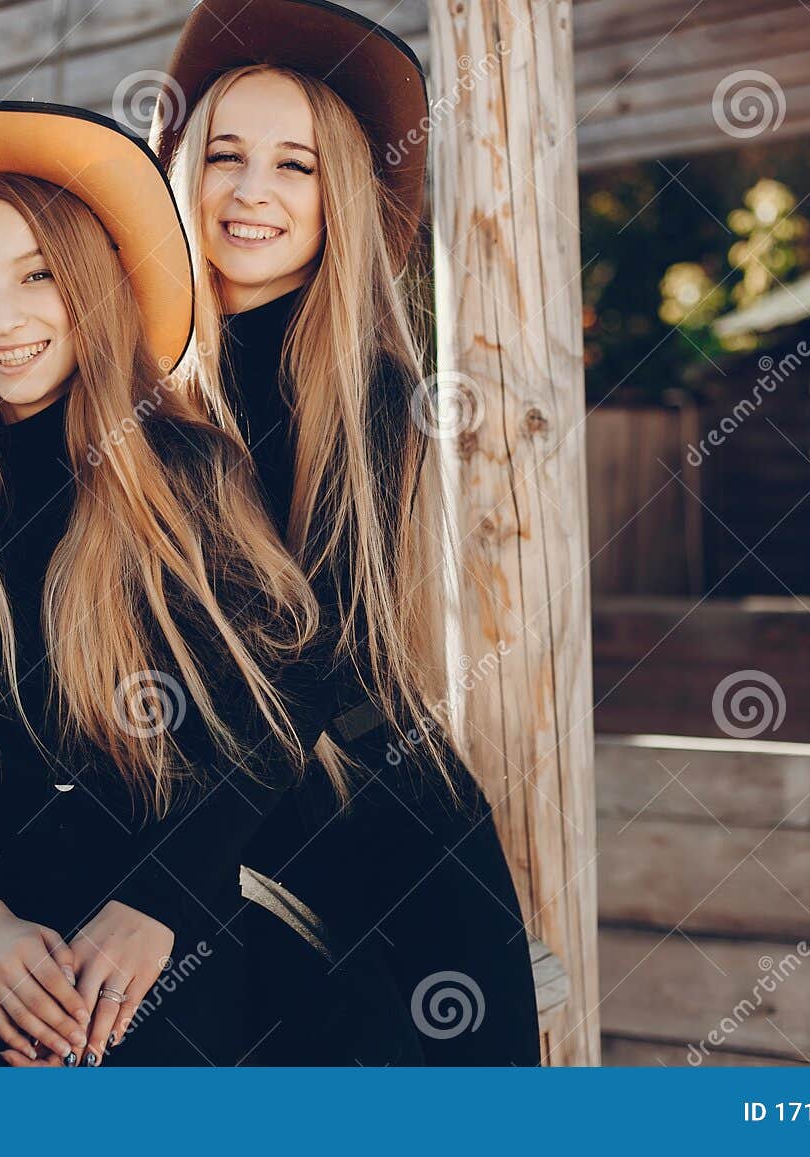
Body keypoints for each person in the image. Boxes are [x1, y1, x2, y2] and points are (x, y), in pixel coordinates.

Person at [0, 101, 371, 1067]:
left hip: (163, 916)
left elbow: (272, 714)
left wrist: (160, 901)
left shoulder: (186, 472)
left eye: (37, 274)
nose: (3, 320)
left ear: (90, 279)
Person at [150, 0, 543, 1065]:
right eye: (225, 154)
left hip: (357, 816)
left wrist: (167, 871)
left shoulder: (364, 389)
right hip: (179, 801)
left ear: (339, 200)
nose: (252, 191)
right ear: (184, 173)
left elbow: (310, 655)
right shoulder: (122, 390)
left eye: (296, 165)